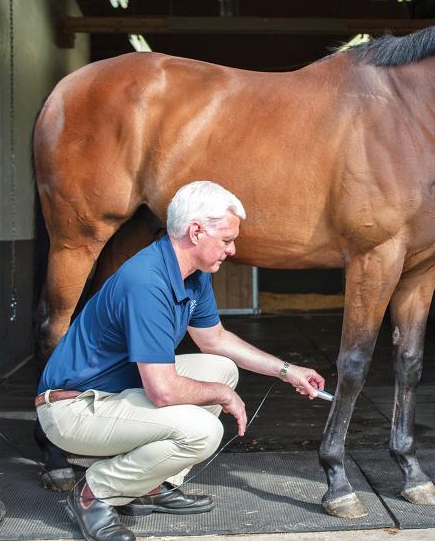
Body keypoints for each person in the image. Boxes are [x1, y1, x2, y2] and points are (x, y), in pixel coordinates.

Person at [36, 181, 326, 541]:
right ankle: (92, 495)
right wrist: (221, 395)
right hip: (73, 408)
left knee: (221, 368)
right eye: (226, 239)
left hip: (115, 391)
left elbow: (214, 339)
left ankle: (151, 485)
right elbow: (161, 390)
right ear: (196, 231)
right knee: (203, 432)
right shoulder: (147, 282)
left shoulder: (192, 274)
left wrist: (287, 371)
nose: (232, 250)